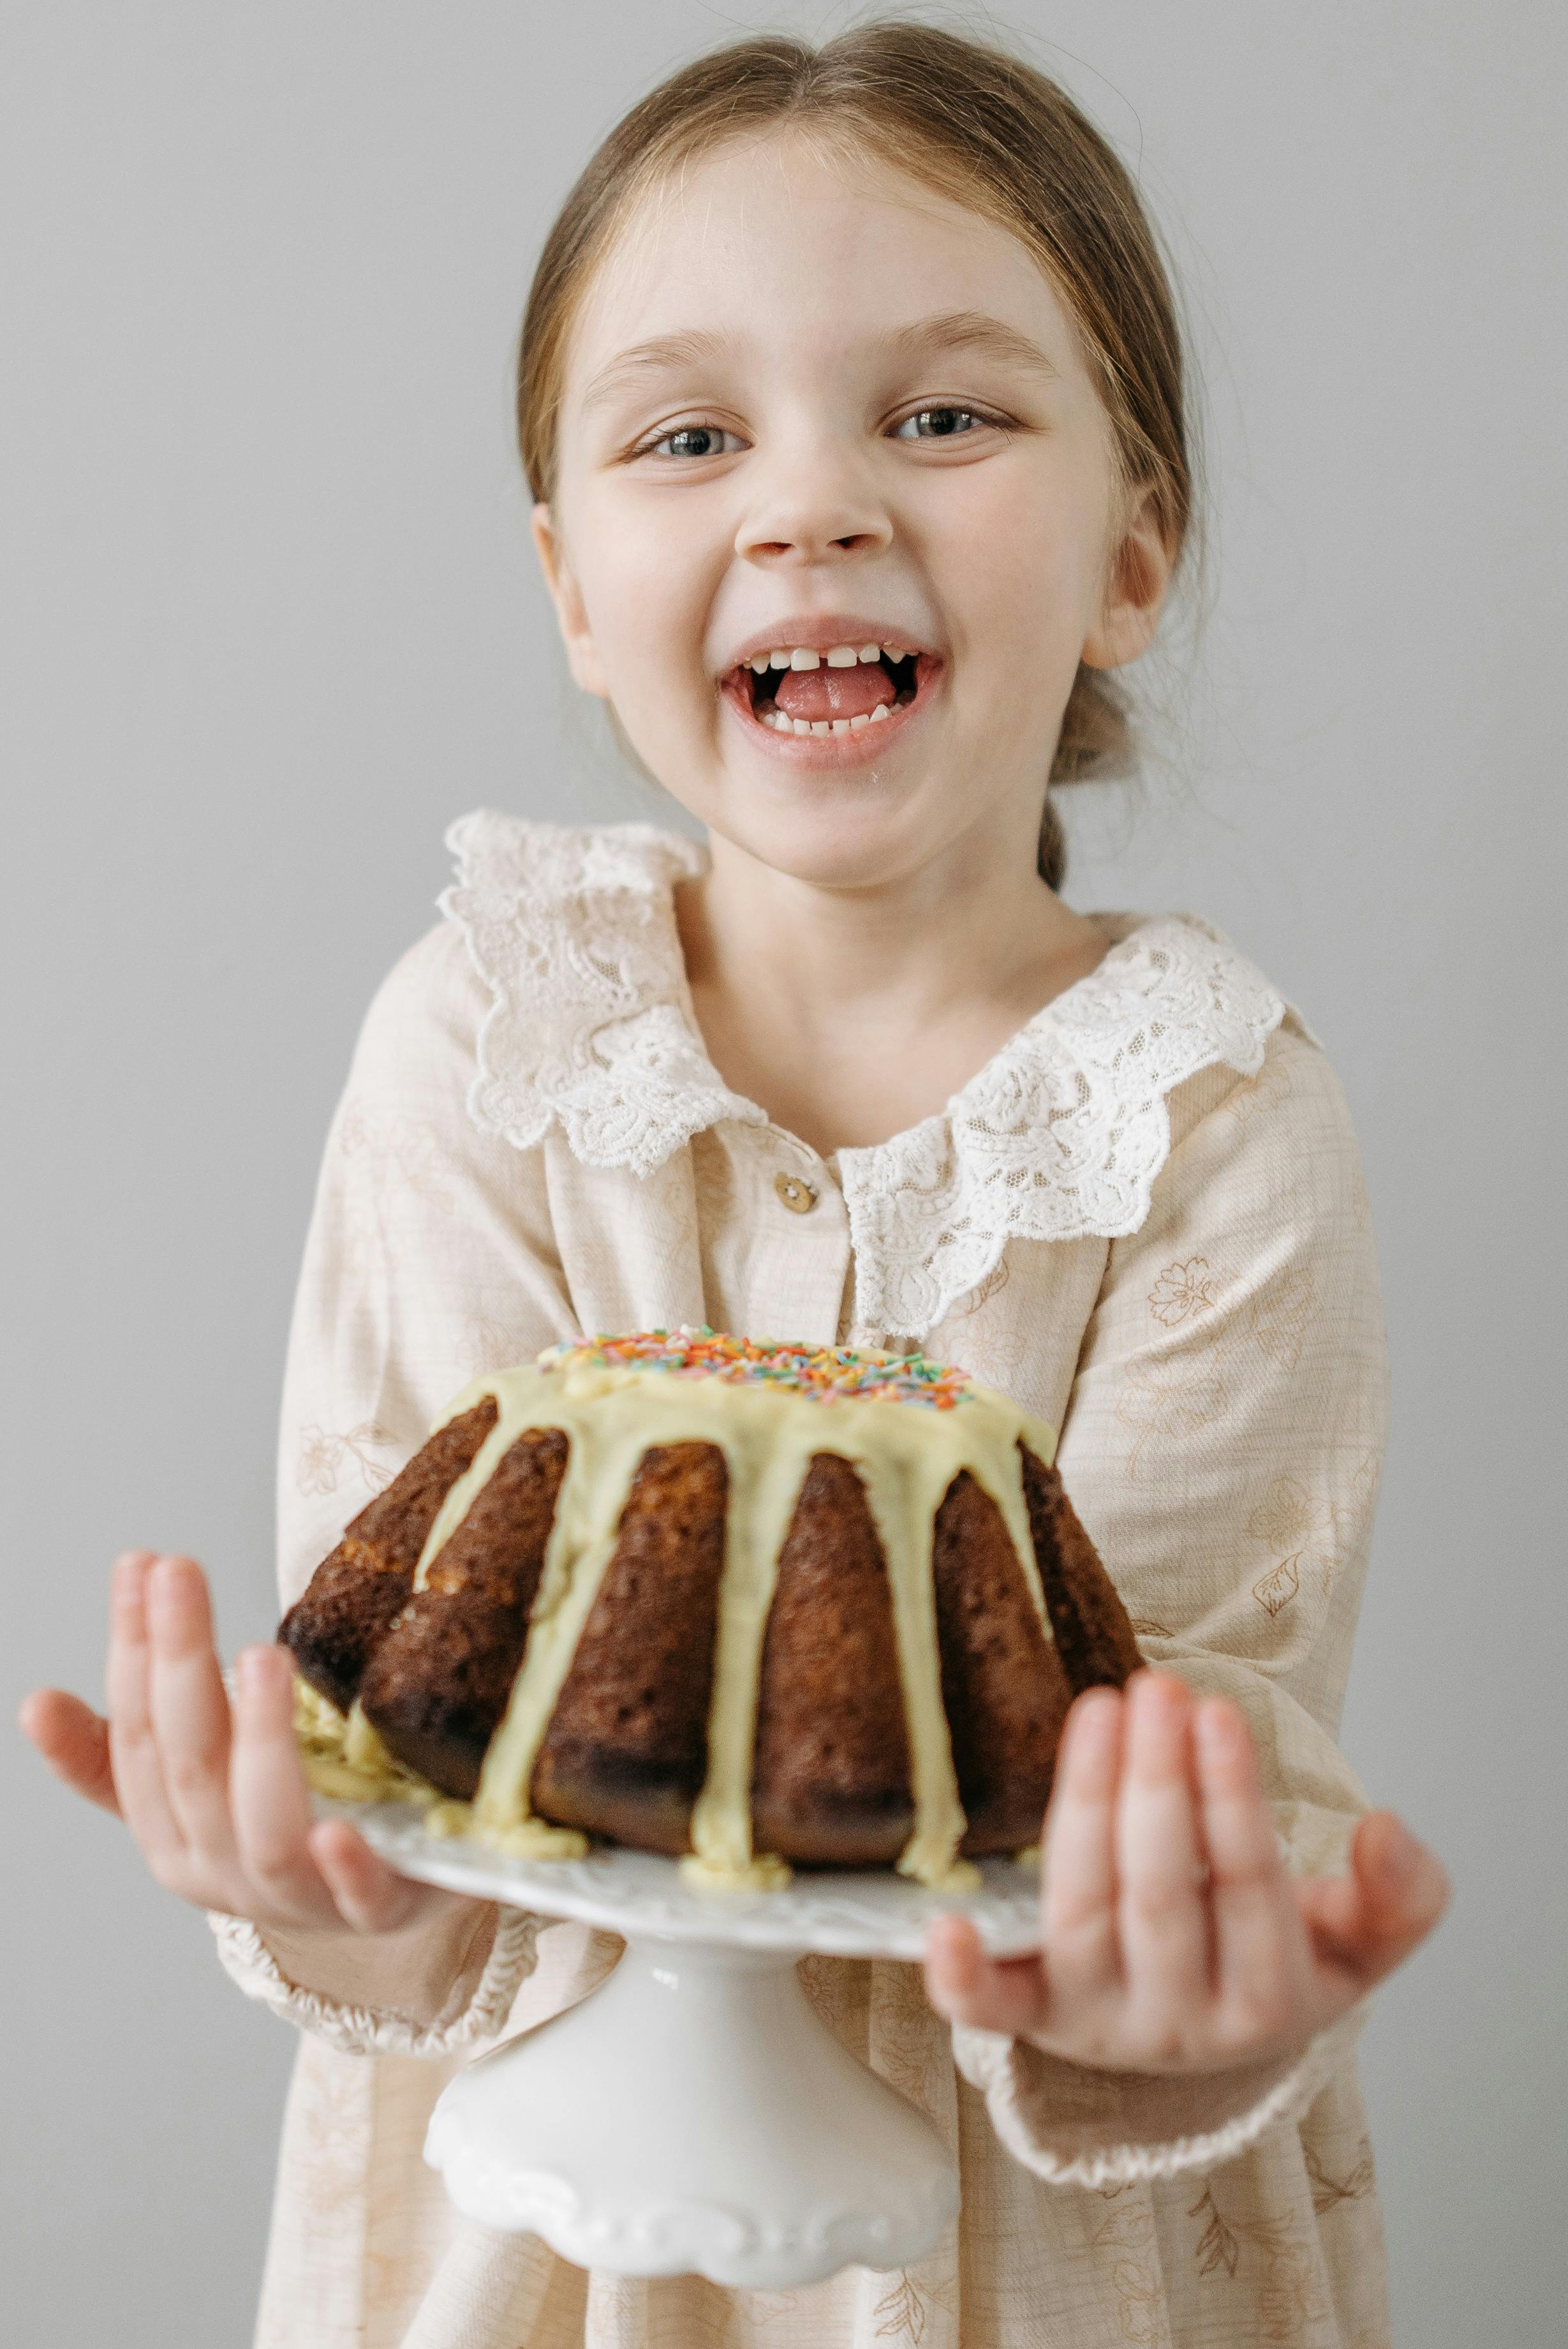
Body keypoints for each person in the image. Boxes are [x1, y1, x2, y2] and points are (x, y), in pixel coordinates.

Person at [20, 24, 1449, 2347]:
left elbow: (1186, 1796)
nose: (813, 506)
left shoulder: (1206, 1127)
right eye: (692, 436)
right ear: (573, 581)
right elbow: (409, 1753)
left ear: (1134, 545)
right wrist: (329, 1883)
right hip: (545, 2260)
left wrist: (1179, 1980)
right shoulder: (490, 1044)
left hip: (1034, 2267)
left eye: (943, 415)